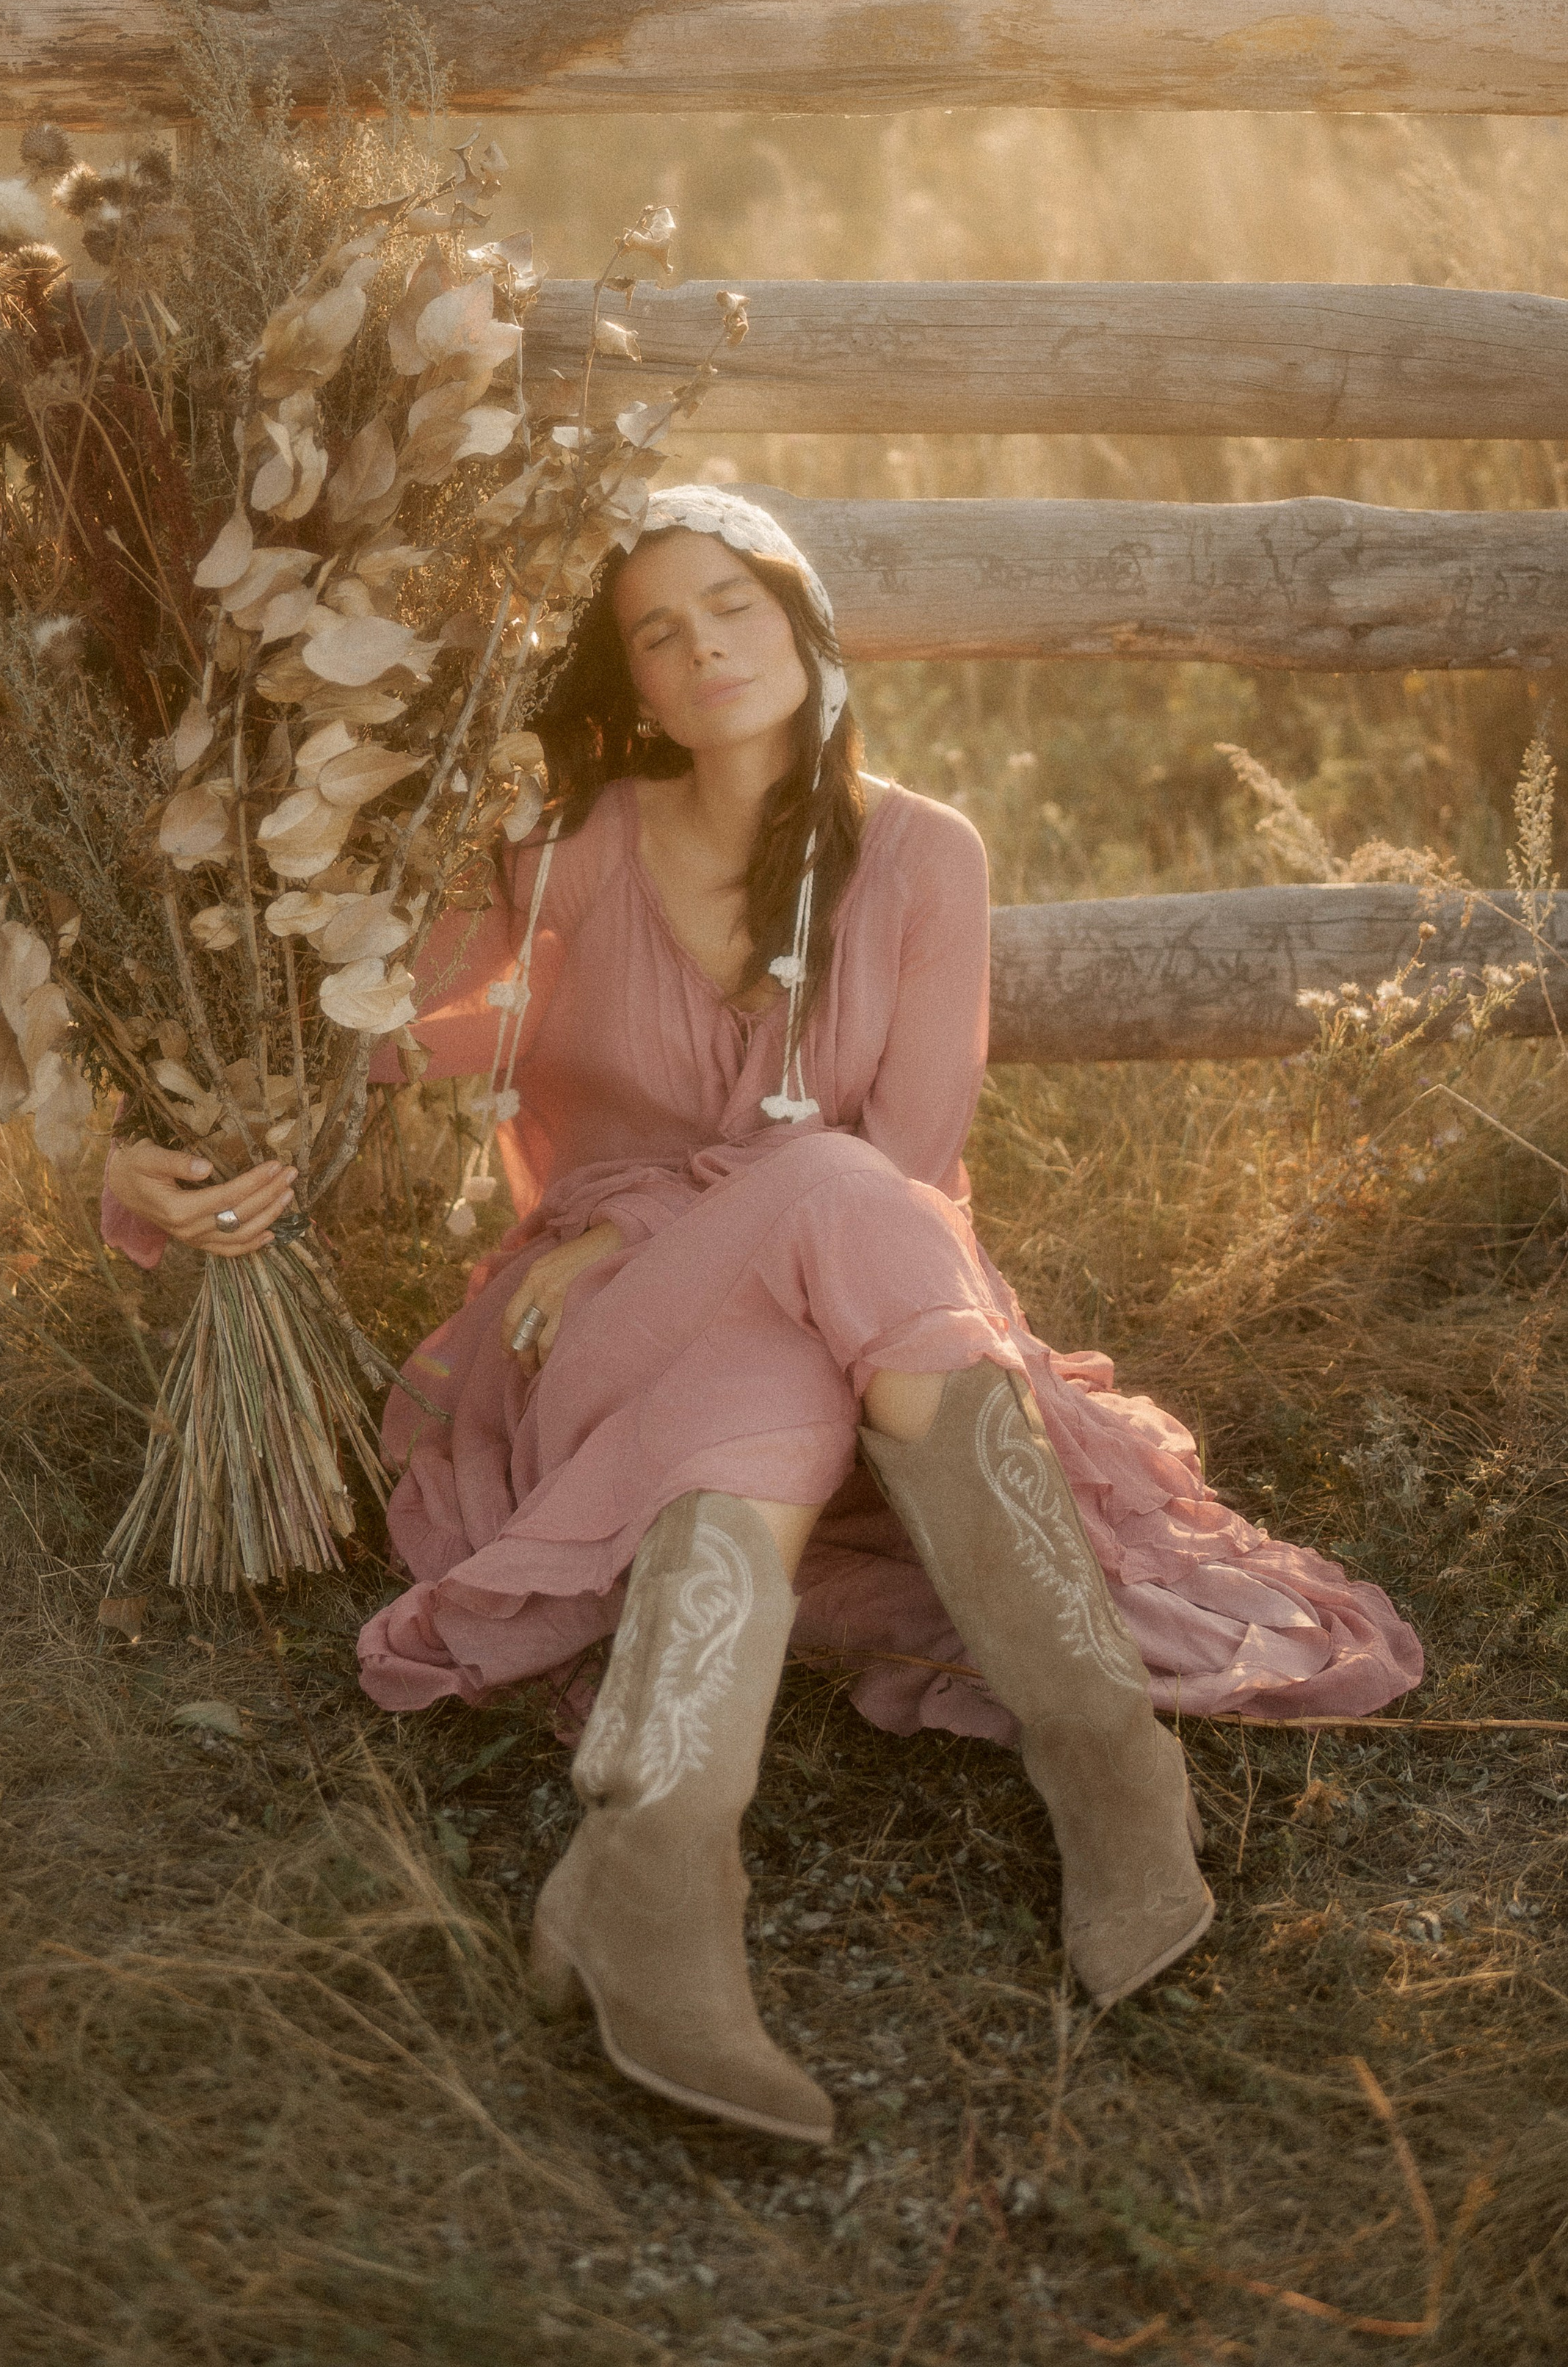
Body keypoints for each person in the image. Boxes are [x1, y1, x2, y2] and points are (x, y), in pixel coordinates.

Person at [105, 485, 1423, 2147]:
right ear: (631, 684)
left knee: (793, 1319)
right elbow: (383, 1038)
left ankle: (650, 1872)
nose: (699, 642)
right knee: (821, 1217)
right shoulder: (565, 855)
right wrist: (168, 1136)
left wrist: (674, 1207)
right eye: (655, 629)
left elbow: (911, 1153)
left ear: (797, 617)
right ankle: (1098, 1754)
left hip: (837, 1310)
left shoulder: (926, 853)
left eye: (725, 600)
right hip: (587, 1326)